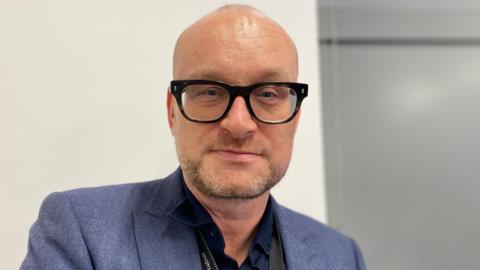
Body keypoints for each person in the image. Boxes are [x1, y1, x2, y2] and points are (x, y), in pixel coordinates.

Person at [21, 5, 366, 270]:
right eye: (210, 92)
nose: (239, 123)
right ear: (173, 112)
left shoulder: (339, 254)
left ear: (295, 116)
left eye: (269, 94)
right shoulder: (79, 230)